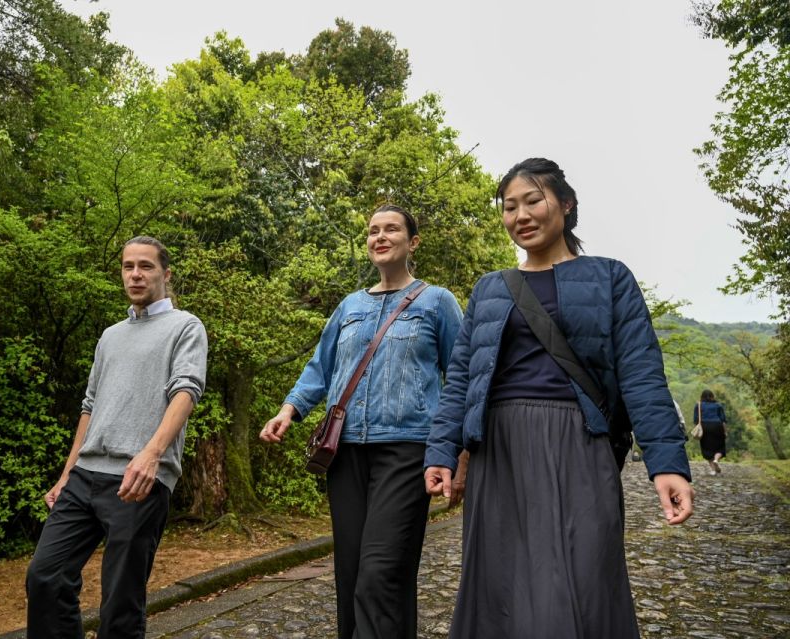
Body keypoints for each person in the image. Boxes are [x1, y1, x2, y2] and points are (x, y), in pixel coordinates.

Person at [424, 158, 694, 639]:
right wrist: (442, 450)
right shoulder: (489, 288)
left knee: (583, 576)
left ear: (566, 205)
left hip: (579, 443)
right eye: (510, 207)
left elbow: (641, 373)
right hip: (500, 450)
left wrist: (667, 462)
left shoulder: (610, 277)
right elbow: (463, 377)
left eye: (533, 200)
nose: (520, 215)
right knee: (502, 585)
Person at [260, 204, 464, 639]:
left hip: (409, 451)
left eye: (392, 229)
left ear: (413, 242)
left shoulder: (437, 301)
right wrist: (288, 411)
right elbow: (321, 369)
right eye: (373, 230)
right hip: (345, 452)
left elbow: (461, 378)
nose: (380, 236)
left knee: (381, 571)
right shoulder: (349, 307)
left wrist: (457, 449)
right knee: (352, 574)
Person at [25, 236, 208, 639]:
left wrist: (151, 456)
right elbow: (90, 407)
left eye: (146, 266)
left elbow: (187, 391)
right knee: (45, 577)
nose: (136, 275)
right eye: (128, 266)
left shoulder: (185, 326)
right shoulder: (110, 335)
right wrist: (66, 474)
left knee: (120, 603)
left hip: (138, 479)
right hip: (84, 476)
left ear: (166, 273)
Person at [695, 389, 727, 475]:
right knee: (720, 447)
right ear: (713, 396)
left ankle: (713, 470)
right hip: (717, 426)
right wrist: (725, 431)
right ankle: (716, 460)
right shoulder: (718, 405)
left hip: (705, 427)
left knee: (707, 448)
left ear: (702, 396)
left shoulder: (699, 405)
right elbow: (723, 420)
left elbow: (696, 419)